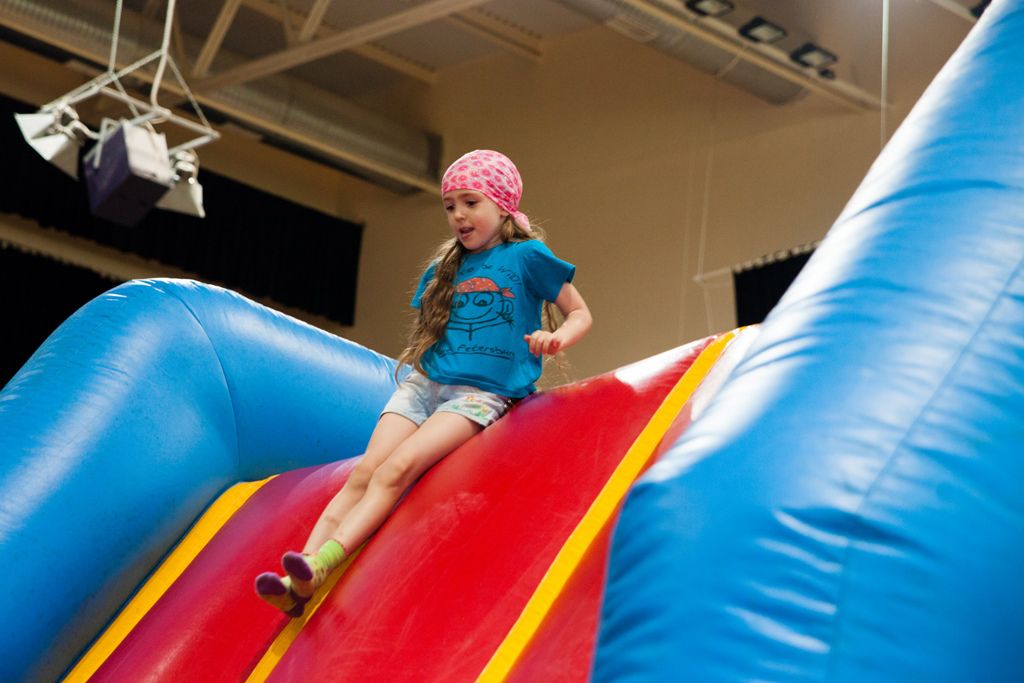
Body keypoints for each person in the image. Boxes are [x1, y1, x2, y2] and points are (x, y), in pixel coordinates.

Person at [255, 149, 593, 616]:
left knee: (397, 469)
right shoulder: (445, 268)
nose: (458, 215)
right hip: (424, 384)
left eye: (470, 202)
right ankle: (298, 579)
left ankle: (323, 563)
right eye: (450, 206)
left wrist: (555, 339)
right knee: (364, 472)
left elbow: (580, 312)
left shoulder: (527, 256)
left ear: (502, 205)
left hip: (480, 395)